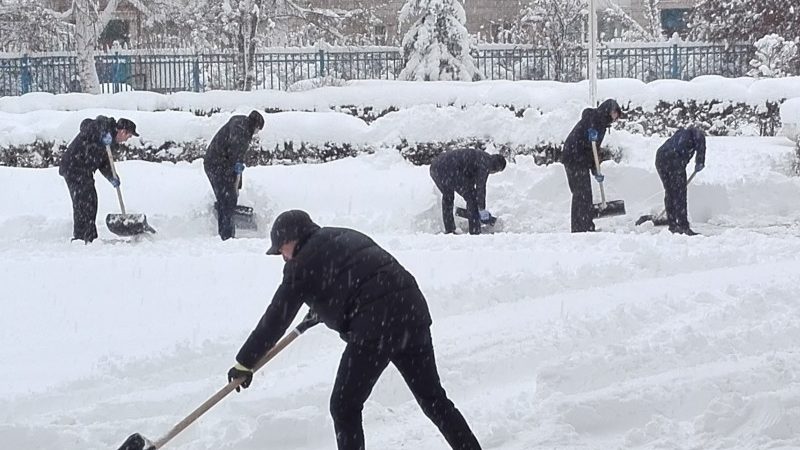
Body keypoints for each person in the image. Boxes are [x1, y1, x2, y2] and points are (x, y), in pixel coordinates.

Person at [228, 210, 482, 450]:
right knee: (433, 398)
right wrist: (323, 308)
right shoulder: (344, 234)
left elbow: (276, 319)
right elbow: (359, 277)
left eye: (281, 250)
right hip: (411, 312)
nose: (283, 257)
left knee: (344, 406)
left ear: (291, 239)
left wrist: (245, 362)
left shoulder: (300, 265)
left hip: (377, 327)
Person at [59, 116, 138, 243]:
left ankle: (89, 236)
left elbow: (104, 163)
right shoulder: (102, 125)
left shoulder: (110, 143)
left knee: (91, 201)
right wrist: (102, 133)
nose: (126, 140)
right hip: (74, 166)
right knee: (82, 202)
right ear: (123, 131)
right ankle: (81, 237)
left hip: (84, 170)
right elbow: (86, 125)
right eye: (128, 136)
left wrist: (112, 177)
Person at [561, 99, 624, 233]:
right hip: (573, 157)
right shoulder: (593, 117)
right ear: (608, 110)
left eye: (617, 116)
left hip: (580, 158)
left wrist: (596, 170)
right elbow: (588, 144)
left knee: (584, 193)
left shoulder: (603, 125)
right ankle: (581, 227)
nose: (615, 118)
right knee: (581, 193)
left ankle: (583, 226)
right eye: (614, 113)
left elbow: (594, 150)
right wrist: (589, 129)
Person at [204, 110, 264, 240]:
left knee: (227, 197)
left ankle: (226, 232)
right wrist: (236, 171)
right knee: (227, 199)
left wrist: (238, 182)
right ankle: (227, 236)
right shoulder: (242, 130)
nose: (256, 133)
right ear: (256, 125)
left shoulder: (241, 124)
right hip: (216, 165)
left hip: (219, 164)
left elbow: (237, 156)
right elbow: (236, 153)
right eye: (258, 130)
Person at [429, 149, 506, 235]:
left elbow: (468, 179)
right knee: (472, 199)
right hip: (450, 169)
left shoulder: (480, 157)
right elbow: (481, 187)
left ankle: (449, 229)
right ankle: (475, 231)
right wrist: (481, 208)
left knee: (448, 196)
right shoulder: (485, 163)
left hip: (436, 168)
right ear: (496, 168)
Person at [655, 126, 706, 236]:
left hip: (660, 158)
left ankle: (673, 224)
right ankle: (683, 226)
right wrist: (700, 162)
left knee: (670, 192)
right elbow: (701, 150)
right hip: (674, 160)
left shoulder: (681, 133)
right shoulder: (699, 136)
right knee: (680, 193)